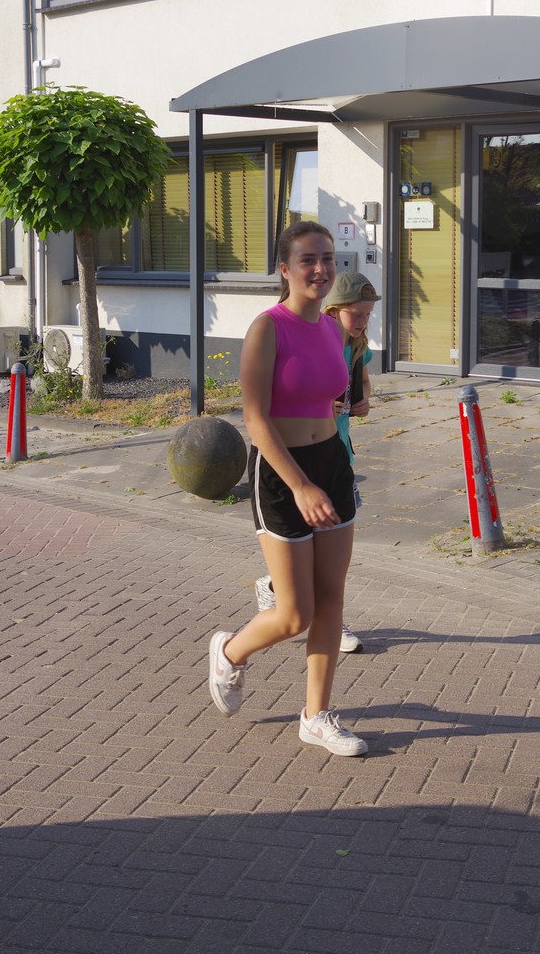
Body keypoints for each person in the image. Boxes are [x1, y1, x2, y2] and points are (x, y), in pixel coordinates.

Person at [207, 221, 368, 757]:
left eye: (328, 258)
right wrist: (299, 485)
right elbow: (255, 418)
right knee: (294, 614)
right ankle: (230, 652)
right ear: (285, 268)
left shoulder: (333, 329)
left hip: (332, 465)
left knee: (331, 600)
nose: (321, 269)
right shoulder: (267, 329)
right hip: (282, 474)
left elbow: (332, 394)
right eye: (308, 260)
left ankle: (315, 716)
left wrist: (348, 405)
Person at [253, 270, 378, 653]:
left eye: (368, 315)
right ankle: (280, 591)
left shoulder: (356, 345)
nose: (362, 322)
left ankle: (308, 604)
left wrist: (363, 401)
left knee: (329, 568)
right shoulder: (305, 335)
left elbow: (364, 382)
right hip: (295, 460)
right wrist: (325, 404)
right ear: (335, 309)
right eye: (356, 314)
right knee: (307, 581)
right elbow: (272, 404)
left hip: (336, 453)